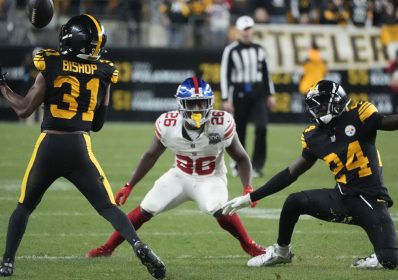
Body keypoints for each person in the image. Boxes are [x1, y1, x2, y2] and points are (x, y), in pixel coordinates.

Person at [0, 14, 165, 279]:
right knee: (108, 207)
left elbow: (23, 109)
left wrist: (3, 87)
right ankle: (138, 244)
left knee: (24, 206)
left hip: (50, 145)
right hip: (79, 146)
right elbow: (98, 123)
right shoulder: (104, 71)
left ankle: (7, 262)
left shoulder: (51, 63)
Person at [222, 80, 398, 269]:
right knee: (294, 201)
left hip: (370, 201)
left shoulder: (360, 115)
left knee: (390, 260)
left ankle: (377, 258)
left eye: (321, 105)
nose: (316, 110)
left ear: (335, 102)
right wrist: (251, 197)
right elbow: (290, 174)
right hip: (341, 199)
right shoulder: (313, 135)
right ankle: (282, 252)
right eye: (314, 106)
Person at [85, 77, 265, 259]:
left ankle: (249, 245)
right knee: (148, 206)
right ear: (181, 104)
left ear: (210, 103)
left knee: (218, 207)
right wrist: (129, 184)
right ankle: (108, 247)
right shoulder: (168, 125)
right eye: (192, 104)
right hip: (180, 175)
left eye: (202, 103)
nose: (197, 109)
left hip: (211, 177)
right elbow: (150, 155)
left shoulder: (221, 123)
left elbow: (241, 158)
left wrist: (248, 187)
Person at [220, 15, 276, 178]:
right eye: (244, 29)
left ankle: (257, 166)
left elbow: (266, 73)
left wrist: (270, 94)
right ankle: (238, 163)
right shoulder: (230, 50)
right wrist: (226, 98)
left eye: (249, 29)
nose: (246, 32)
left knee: (262, 127)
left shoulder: (259, 50)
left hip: (257, 92)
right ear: (238, 31)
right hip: (238, 93)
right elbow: (225, 75)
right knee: (239, 131)